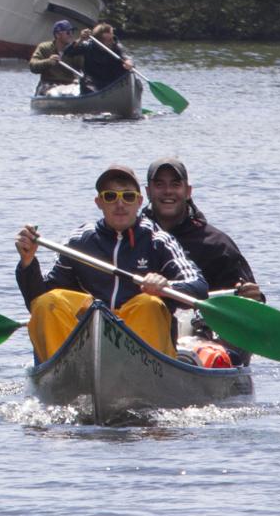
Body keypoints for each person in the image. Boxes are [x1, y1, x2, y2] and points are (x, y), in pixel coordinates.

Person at [14, 163, 207, 361]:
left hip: (141, 344)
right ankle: (63, 366)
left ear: (139, 201)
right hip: (88, 336)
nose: (120, 204)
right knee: (49, 302)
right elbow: (38, 302)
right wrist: (28, 263)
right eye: (110, 196)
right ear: (99, 202)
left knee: (149, 304)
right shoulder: (79, 241)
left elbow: (199, 286)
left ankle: (143, 368)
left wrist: (166, 286)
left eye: (128, 196)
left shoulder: (158, 240)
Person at [145, 155, 267, 365]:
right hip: (147, 325)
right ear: (147, 192)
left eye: (175, 184)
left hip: (199, 332)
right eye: (159, 185)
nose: (167, 192)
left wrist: (251, 297)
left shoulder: (217, 244)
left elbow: (251, 307)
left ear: (188, 191)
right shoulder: (132, 239)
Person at [75, 22, 133, 92]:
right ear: (98, 42)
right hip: (92, 83)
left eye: (112, 38)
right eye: (109, 40)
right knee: (88, 86)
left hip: (113, 82)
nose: (112, 42)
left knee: (128, 72)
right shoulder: (87, 46)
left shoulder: (117, 47)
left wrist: (128, 62)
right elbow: (69, 52)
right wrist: (80, 39)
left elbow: (125, 56)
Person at [26, 19, 82, 91]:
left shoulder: (76, 49)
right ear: (57, 35)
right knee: (49, 91)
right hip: (48, 84)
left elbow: (85, 66)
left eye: (72, 32)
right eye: (68, 32)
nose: (71, 35)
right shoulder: (44, 47)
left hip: (69, 85)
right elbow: (33, 66)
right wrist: (48, 62)